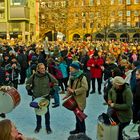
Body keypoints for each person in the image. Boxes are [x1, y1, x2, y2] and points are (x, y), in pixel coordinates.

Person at [26, 63, 58, 134]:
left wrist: (53, 90)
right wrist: (28, 89)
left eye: (44, 68)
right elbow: (27, 83)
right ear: (38, 69)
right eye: (41, 68)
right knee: (38, 112)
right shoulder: (34, 76)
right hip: (36, 97)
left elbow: (56, 82)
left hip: (45, 97)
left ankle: (48, 127)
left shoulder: (48, 75)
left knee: (46, 112)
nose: (43, 69)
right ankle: (38, 126)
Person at [108, 76, 133, 140]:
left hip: (125, 117)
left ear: (119, 84)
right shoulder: (114, 88)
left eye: (114, 84)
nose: (113, 85)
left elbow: (128, 105)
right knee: (115, 133)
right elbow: (110, 92)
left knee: (121, 135)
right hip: (116, 115)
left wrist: (114, 105)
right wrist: (109, 99)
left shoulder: (127, 91)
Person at [67, 62, 88, 134]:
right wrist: (67, 95)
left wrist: (74, 91)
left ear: (76, 69)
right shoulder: (71, 76)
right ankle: (78, 129)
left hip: (80, 100)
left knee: (80, 117)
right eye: (70, 67)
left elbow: (85, 88)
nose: (69, 69)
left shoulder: (82, 77)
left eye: (71, 68)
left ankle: (82, 132)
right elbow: (70, 87)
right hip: (73, 99)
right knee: (77, 116)